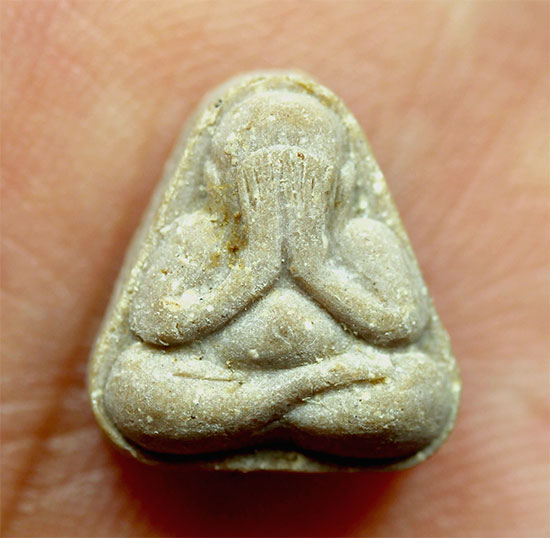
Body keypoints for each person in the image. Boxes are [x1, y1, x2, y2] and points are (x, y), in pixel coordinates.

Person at [2, 2, 548, 536]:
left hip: (331, 378)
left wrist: (314, 267)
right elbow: (156, 325)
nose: (283, 191)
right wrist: (253, 270)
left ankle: (268, 407)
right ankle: (289, 399)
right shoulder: (199, 233)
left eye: (308, 175)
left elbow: (401, 326)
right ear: (219, 178)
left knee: (419, 394)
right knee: (135, 388)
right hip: (236, 379)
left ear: (341, 179)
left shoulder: (362, 236)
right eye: (256, 174)